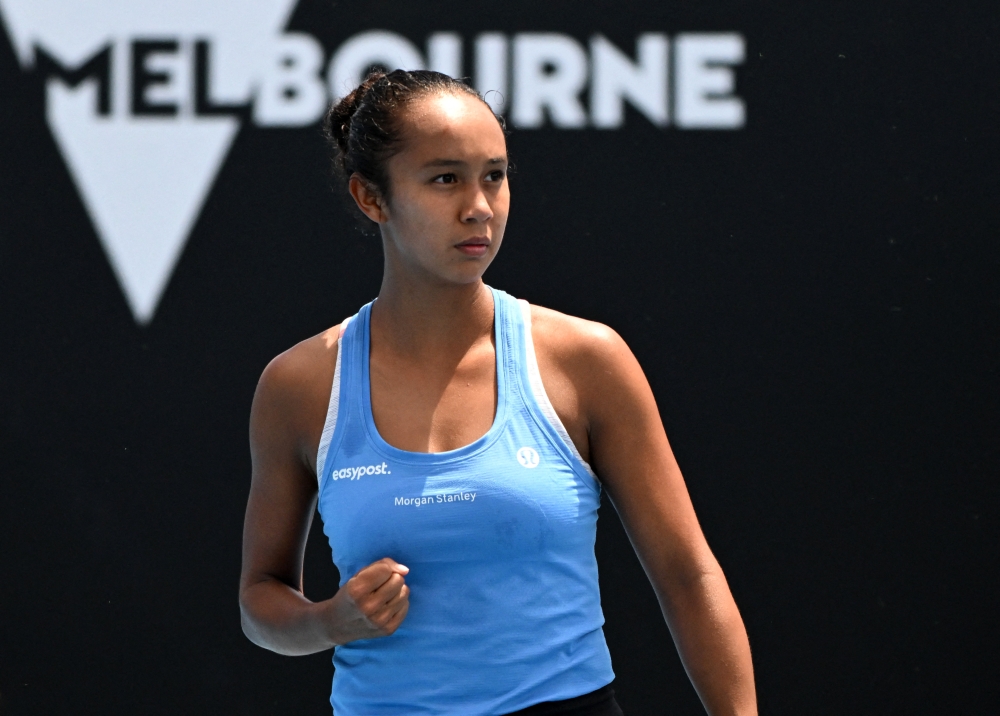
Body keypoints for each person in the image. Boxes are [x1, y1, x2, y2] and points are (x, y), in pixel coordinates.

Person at [239, 69, 757, 715]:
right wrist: (331, 621)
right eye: (445, 178)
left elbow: (690, 577)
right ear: (372, 198)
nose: (479, 206)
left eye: (495, 174)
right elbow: (260, 599)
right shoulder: (298, 385)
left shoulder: (587, 360)